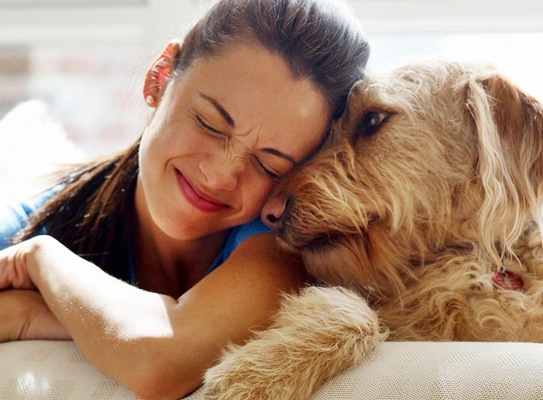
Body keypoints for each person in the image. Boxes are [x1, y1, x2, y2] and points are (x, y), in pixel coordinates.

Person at [0, 0, 369, 398]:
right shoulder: (33, 218)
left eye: (269, 166)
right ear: (159, 78)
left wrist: (38, 265)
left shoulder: (279, 250)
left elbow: (159, 362)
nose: (221, 175)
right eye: (210, 124)